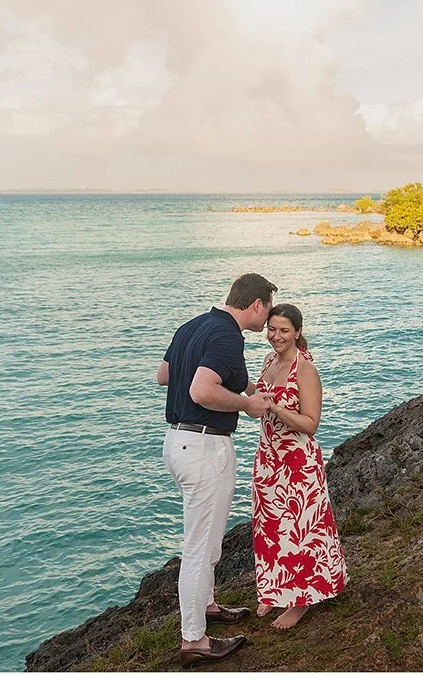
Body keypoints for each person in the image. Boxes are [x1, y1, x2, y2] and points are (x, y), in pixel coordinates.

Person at [157, 273, 277, 666]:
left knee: (207, 539)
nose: (269, 319)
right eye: (269, 309)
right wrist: (247, 405)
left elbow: (164, 376)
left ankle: (206, 604)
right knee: (198, 546)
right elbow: (200, 390)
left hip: (178, 442)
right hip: (205, 445)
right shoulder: (227, 336)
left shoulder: (192, 326)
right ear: (256, 304)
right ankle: (194, 640)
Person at [251, 303, 348, 630]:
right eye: (272, 329)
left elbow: (310, 424)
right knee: (270, 527)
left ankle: (302, 601)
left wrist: (275, 407)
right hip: (268, 458)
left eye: (284, 331)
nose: (276, 336)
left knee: (301, 530)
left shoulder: (304, 369)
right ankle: (275, 588)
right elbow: (259, 399)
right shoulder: (268, 361)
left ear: (297, 333)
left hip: (297, 463)